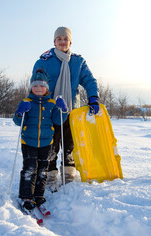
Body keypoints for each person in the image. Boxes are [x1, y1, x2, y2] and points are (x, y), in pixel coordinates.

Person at [32, 26, 100, 191]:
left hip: (71, 111)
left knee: (70, 144)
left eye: (65, 39)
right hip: (50, 110)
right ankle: (50, 176)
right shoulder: (44, 61)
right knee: (51, 144)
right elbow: (36, 83)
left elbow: (89, 80)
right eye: (59, 39)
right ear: (54, 42)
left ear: (70, 42)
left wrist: (93, 97)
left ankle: (69, 176)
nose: (62, 42)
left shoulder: (78, 61)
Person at [13, 68, 68, 211]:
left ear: (47, 88)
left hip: (46, 142)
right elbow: (18, 122)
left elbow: (58, 121)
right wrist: (19, 113)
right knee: (30, 169)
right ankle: (26, 196)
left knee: (43, 170)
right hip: (29, 142)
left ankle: (38, 195)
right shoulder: (26, 102)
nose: (38, 88)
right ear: (31, 88)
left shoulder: (51, 103)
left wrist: (63, 109)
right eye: (35, 86)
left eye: (42, 86)